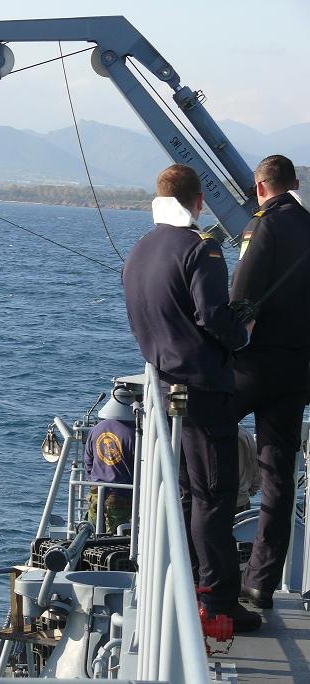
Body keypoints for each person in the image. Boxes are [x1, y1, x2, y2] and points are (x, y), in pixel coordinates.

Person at [122, 164, 260, 632]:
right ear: (198, 202)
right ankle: (219, 600)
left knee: (182, 494)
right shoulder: (203, 251)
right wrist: (242, 333)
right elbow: (212, 317)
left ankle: (177, 587)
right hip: (203, 392)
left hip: (164, 390)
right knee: (215, 497)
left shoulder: (140, 251)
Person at [230, 155, 310, 610]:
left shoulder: (262, 226)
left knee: (202, 435)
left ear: (260, 188)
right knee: (280, 475)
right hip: (297, 369)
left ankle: (204, 560)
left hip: (255, 365)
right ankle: (262, 581)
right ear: (294, 184)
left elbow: (242, 296)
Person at [84, 387, 136, 534]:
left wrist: (93, 481)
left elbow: (88, 460)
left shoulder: (96, 429)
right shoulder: (134, 434)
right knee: (116, 537)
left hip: (95, 493)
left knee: (92, 534)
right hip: (121, 497)